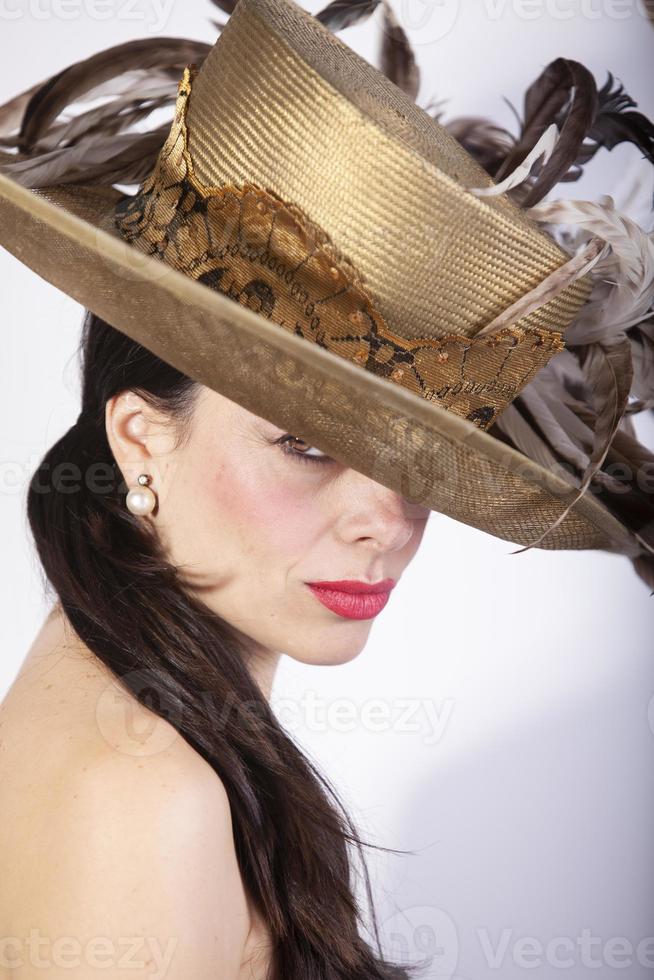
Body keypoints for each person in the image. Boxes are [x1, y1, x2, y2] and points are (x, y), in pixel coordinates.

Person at [0, 0, 652, 975]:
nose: (383, 522)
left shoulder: (123, 725)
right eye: (305, 444)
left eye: (418, 462)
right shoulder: (145, 800)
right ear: (140, 438)